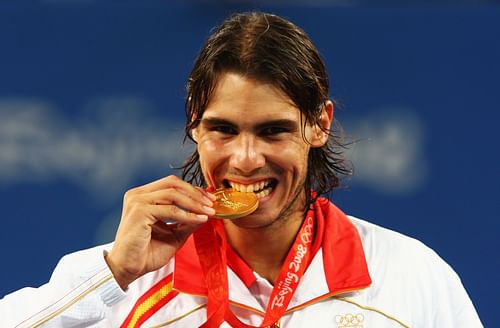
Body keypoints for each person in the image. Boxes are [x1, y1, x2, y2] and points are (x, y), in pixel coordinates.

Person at [0, 11, 482, 328]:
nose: (246, 158)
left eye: (272, 130)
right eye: (223, 130)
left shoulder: (410, 278)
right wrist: (111, 274)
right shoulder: (130, 285)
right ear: (194, 124)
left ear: (319, 124)